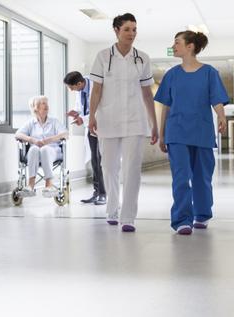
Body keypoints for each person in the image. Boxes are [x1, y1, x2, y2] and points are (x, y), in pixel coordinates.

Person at [88, 13, 159, 232]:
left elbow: (147, 94)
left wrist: (154, 123)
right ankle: (112, 208)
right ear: (116, 30)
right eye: (127, 29)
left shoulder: (142, 58)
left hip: (135, 121)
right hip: (108, 120)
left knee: (132, 170)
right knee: (108, 168)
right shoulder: (102, 56)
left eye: (135, 29)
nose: (132, 34)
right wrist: (91, 116)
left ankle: (128, 217)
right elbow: (97, 89)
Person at [154, 31, 228, 235]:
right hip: (176, 132)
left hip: (202, 131)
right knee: (181, 176)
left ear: (190, 46)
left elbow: (217, 99)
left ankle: (202, 214)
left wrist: (221, 116)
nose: (173, 46)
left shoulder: (209, 72)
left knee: (202, 177)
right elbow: (166, 107)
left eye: (177, 42)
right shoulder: (171, 74)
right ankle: (181, 220)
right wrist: (162, 134)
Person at [64, 71, 106, 205]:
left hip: (102, 126)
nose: (71, 90)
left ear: (80, 83)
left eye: (72, 87)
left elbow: (99, 109)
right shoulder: (80, 90)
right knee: (94, 160)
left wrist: (83, 118)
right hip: (91, 127)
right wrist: (76, 113)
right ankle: (97, 192)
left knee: (101, 160)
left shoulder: (97, 86)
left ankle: (104, 194)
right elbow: (83, 108)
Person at [15, 96, 68, 197]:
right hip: (34, 155)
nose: (47, 105)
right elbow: (17, 134)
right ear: (36, 108)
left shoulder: (54, 121)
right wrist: (32, 140)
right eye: (43, 103)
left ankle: (49, 184)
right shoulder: (31, 122)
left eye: (47, 103)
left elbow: (65, 134)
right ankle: (30, 185)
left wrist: (48, 140)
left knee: (45, 149)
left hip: (52, 152)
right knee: (34, 148)